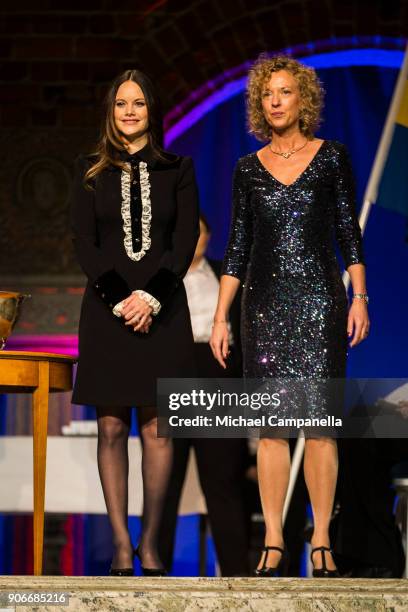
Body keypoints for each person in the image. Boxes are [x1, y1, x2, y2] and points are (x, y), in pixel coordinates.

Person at [210, 54, 369, 578]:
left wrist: (360, 297)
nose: (274, 101)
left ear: (303, 99)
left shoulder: (331, 158)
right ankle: (274, 540)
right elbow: (236, 248)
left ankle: (320, 537)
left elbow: (349, 231)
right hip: (262, 306)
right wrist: (219, 316)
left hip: (322, 301)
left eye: (284, 92)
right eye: (267, 94)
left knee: (319, 425)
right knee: (272, 429)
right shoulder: (246, 168)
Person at [70, 69, 199, 576]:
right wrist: (123, 299)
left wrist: (151, 298)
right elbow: (84, 242)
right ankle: (122, 545)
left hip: (163, 312)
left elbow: (184, 240)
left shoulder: (178, 168)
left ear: (152, 110)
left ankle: (150, 542)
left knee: (158, 431)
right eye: (121, 103)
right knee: (109, 427)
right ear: (111, 111)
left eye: (139, 103)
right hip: (106, 312)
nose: (129, 111)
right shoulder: (87, 170)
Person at [158, 214, 250, 576]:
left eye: (198, 231)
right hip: (173, 376)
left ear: (209, 237)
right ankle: (155, 568)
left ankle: (237, 573)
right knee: (164, 481)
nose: (191, 238)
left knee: (223, 480)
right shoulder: (160, 276)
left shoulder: (227, 274)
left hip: (219, 376)